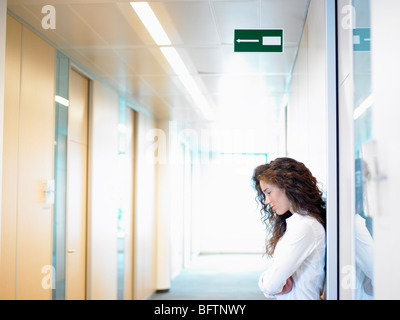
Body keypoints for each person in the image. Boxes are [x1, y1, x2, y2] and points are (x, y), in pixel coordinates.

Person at [252, 157, 326, 300]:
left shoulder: (306, 227)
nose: (267, 201)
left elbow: (271, 285)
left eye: (268, 192)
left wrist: (264, 281)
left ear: (286, 185)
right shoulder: (297, 224)